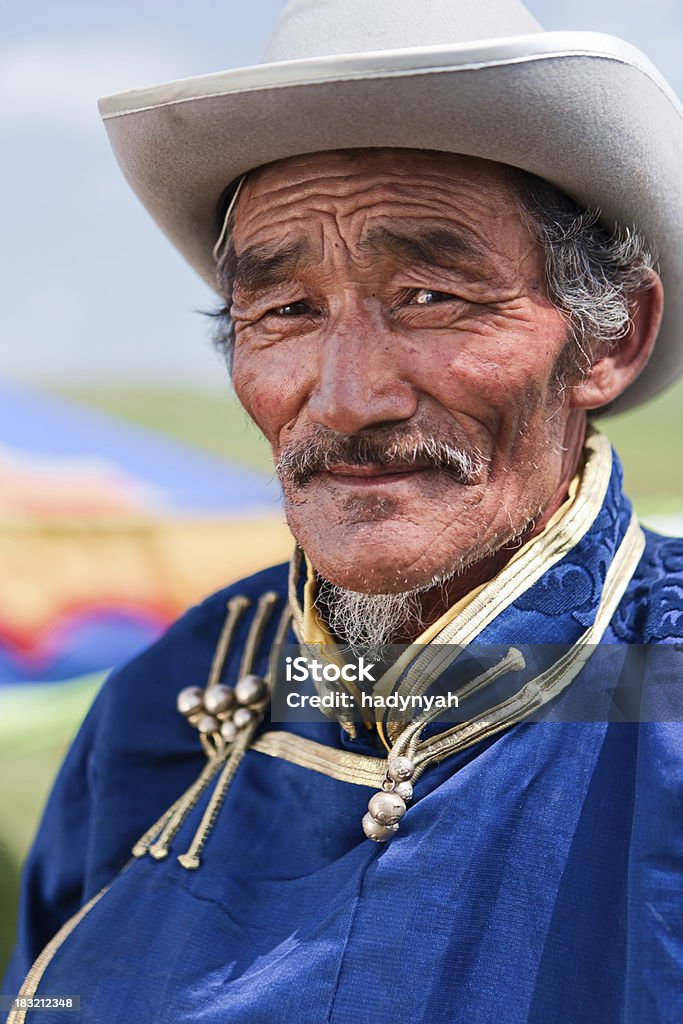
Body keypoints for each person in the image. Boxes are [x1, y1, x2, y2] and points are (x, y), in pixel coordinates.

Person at [4, 1, 683, 1021]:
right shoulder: (162, 707)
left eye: (429, 296)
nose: (347, 395)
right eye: (284, 310)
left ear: (607, 338)